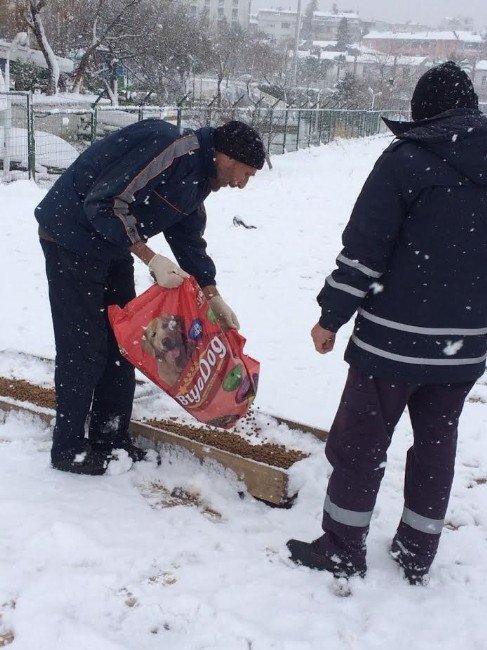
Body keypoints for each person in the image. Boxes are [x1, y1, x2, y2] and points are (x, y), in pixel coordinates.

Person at [287, 62, 487, 585]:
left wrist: (331, 315)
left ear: (424, 111)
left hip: (391, 345)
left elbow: (364, 251)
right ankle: (418, 553)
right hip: (462, 348)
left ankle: (342, 547)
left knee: (360, 444)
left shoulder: (406, 161)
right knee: (436, 447)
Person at [35, 119, 265, 476]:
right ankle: (68, 449)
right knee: (83, 346)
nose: (242, 184)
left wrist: (211, 292)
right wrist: (149, 257)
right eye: (245, 173)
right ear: (225, 156)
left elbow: (187, 234)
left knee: (123, 344)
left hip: (110, 244)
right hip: (72, 237)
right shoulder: (171, 149)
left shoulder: (200, 176)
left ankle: (109, 437)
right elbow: (105, 202)